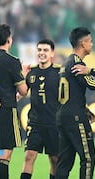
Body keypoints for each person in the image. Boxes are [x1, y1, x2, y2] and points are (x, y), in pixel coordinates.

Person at [55, 27, 95, 179]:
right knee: (88, 158)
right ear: (83, 43)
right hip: (75, 117)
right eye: (90, 41)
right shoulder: (76, 63)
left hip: (64, 115)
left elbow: (71, 91)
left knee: (65, 161)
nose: (92, 44)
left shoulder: (66, 62)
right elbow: (91, 83)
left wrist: (84, 107)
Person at [0, 24, 28, 179]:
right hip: (6, 115)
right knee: (3, 155)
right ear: (9, 40)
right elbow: (23, 91)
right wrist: (24, 74)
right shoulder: (11, 61)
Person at [20, 39, 61, 179]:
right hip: (35, 123)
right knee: (29, 156)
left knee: (54, 159)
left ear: (52, 54)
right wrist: (24, 75)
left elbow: (68, 94)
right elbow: (22, 93)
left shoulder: (59, 72)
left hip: (53, 123)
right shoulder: (32, 72)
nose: (42, 53)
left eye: (45, 50)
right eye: (39, 50)